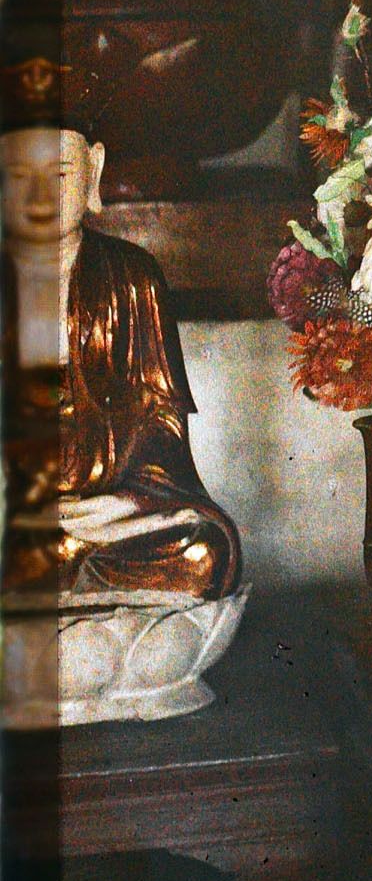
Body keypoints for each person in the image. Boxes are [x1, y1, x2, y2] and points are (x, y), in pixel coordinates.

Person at [2, 59, 243, 600]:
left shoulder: (133, 279)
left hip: (111, 517)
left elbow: (162, 421)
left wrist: (125, 501)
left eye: (60, 174)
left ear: (94, 169)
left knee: (204, 551)